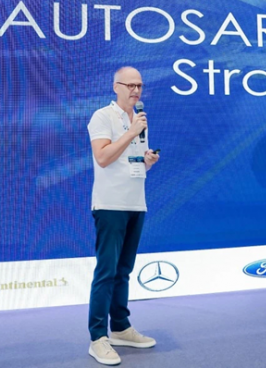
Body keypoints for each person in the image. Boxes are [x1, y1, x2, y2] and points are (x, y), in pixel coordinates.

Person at [86, 66, 160, 365]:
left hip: (136, 202)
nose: (136, 90)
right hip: (110, 204)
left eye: (139, 85)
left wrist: (148, 161)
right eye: (130, 85)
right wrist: (131, 133)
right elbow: (103, 157)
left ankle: (120, 327)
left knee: (124, 271)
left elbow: (132, 160)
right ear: (115, 87)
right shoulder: (102, 117)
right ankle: (98, 337)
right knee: (106, 271)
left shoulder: (140, 119)